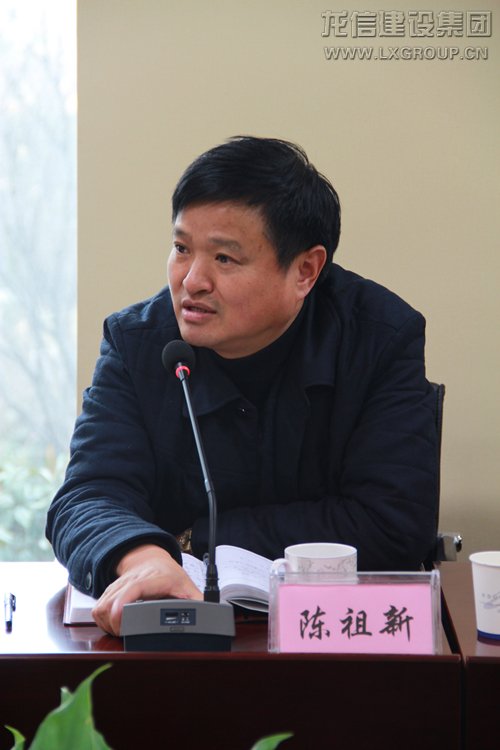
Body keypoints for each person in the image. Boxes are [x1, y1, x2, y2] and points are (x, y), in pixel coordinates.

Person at [46, 136, 438, 636]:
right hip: (171, 637)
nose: (192, 281)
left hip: (329, 639)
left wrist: (193, 539)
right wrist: (142, 557)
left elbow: (392, 523)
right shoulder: (137, 342)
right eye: (182, 249)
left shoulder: (379, 338)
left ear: (305, 270)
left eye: (224, 259)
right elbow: (85, 497)